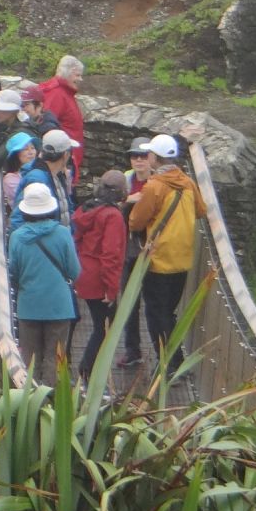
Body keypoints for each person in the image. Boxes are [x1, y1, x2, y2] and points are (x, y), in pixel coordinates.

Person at [127, 133, 206, 373]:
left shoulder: (156, 186)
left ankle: (168, 364)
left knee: (155, 314)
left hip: (158, 259)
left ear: (155, 158)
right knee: (168, 312)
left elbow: (135, 222)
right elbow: (201, 210)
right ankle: (175, 360)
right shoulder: (187, 182)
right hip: (182, 259)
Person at [9, 181, 82, 388]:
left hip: (29, 304)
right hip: (59, 305)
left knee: (30, 358)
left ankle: (29, 401)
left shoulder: (16, 238)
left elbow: (14, 272)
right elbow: (74, 270)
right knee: (55, 356)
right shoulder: (62, 233)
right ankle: (52, 401)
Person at [73, 170, 129, 379]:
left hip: (84, 272)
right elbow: (111, 255)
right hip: (99, 279)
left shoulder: (86, 209)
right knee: (104, 326)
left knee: (101, 324)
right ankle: (88, 370)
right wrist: (111, 289)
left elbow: (77, 239)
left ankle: (88, 369)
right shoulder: (113, 216)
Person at [116, 138, 154, 368]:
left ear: (151, 158)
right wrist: (128, 200)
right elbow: (109, 206)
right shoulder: (125, 180)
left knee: (154, 304)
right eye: (134, 156)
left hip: (152, 249)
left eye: (143, 155)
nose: (138, 160)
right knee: (129, 302)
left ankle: (163, 353)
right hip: (128, 249)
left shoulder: (159, 182)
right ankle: (132, 349)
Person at [17, 129, 79, 225]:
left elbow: (67, 210)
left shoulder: (58, 175)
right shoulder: (36, 178)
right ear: (66, 155)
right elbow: (18, 218)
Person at [39, 55, 87, 177]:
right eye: (77, 75)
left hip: (66, 158)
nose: (80, 79)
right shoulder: (56, 94)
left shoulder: (64, 92)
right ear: (67, 74)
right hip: (61, 161)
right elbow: (47, 125)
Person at [2, 131, 38, 214]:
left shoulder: (40, 170)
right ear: (16, 155)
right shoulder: (10, 179)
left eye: (32, 148)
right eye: (26, 149)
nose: (31, 152)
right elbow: (28, 199)